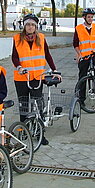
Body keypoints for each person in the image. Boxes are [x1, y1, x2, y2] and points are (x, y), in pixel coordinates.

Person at [12, 13, 60, 146]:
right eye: (28, 24)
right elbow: (14, 57)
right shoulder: (17, 38)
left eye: (33, 24)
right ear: (24, 25)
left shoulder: (41, 38)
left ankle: (40, 133)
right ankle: (23, 130)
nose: (30, 27)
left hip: (37, 77)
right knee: (24, 106)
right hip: (22, 77)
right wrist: (19, 67)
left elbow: (48, 55)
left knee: (39, 105)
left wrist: (54, 70)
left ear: (36, 26)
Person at [73, 8, 95, 99]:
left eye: (92, 17)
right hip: (84, 54)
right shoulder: (78, 28)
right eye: (88, 17)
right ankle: (81, 97)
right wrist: (79, 54)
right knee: (82, 74)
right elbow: (75, 44)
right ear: (84, 17)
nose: (90, 19)